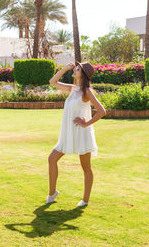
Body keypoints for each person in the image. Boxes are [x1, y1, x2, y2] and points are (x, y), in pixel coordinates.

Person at [46, 62, 106, 207]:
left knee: (86, 167)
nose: (75, 69)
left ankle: (85, 200)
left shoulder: (86, 91)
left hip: (81, 134)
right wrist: (65, 68)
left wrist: (86, 123)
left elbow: (102, 111)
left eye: (77, 69)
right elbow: (52, 82)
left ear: (83, 74)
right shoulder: (72, 89)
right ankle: (52, 193)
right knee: (52, 159)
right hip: (67, 133)